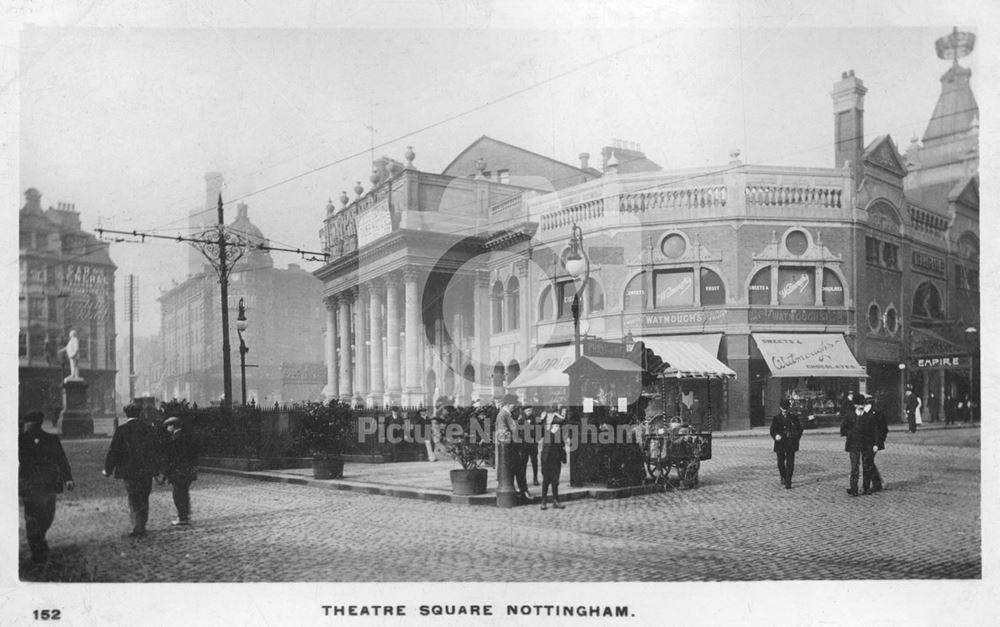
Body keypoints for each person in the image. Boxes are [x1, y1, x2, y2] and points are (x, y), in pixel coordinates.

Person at [19, 411, 74, 562]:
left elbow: (61, 458)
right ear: (26, 423)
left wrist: (68, 478)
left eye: (35, 422)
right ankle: (36, 548)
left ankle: (40, 537)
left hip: (47, 483)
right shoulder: (19, 440)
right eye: (30, 422)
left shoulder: (51, 439)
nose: (32, 425)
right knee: (31, 516)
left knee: (48, 514)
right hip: (29, 483)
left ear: (40, 423)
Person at [103, 403, 160, 537]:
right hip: (146, 471)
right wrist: (156, 470)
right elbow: (155, 451)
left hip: (129, 471)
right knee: (144, 497)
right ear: (140, 414)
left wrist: (108, 469)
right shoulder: (148, 429)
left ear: (126, 414)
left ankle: (137, 526)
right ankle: (142, 524)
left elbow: (114, 451)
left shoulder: (121, 430)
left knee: (133, 497)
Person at [840, 393, 884, 496]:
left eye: (862, 404)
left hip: (867, 444)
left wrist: (876, 444)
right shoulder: (849, 416)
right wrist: (850, 433)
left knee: (867, 466)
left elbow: (875, 431)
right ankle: (854, 488)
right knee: (854, 467)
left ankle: (866, 487)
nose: (861, 406)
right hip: (853, 445)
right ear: (855, 405)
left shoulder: (869, 417)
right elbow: (843, 430)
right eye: (858, 404)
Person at [160, 416, 198, 526]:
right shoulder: (187, 436)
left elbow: (172, 458)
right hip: (188, 470)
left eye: (168, 426)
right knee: (184, 493)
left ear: (172, 426)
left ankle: (182, 517)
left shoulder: (175, 438)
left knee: (178, 494)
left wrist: (166, 473)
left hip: (178, 471)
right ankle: (185, 515)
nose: (167, 428)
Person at [495, 394, 530, 500]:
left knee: (520, 470)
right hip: (509, 448)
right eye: (513, 404)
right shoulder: (503, 415)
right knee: (517, 470)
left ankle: (523, 490)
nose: (515, 406)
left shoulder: (508, 414)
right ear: (508, 404)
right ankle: (521, 491)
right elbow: (503, 433)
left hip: (513, 447)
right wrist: (516, 440)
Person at [769, 399, 803, 489]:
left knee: (790, 463)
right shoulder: (776, 418)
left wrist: (796, 439)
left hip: (790, 443)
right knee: (780, 463)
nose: (785, 410)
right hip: (780, 443)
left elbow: (800, 429)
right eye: (783, 408)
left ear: (789, 408)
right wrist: (775, 435)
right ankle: (783, 476)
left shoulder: (794, 417)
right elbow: (772, 430)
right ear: (780, 408)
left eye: (786, 408)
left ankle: (789, 481)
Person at [539, 405, 567, 510]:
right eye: (554, 426)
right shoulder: (547, 433)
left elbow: (562, 447)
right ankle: (543, 501)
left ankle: (556, 500)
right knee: (546, 480)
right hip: (546, 460)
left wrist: (563, 457)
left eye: (558, 427)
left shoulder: (559, 436)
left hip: (556, 460)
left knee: (555, 481)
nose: (556, 428)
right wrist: (544, 419)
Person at [519, 405, 540, 487]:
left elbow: (539, 431)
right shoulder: (520, 420)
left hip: (533, 444)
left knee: (534, 462)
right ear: (524, 411)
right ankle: (523, 480)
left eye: (530, 410)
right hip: (524, 445)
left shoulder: (536, 419)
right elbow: (518, 433)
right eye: (527, 411)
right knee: (523, 463)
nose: (529, 412)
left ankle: (535, 478)